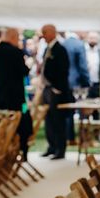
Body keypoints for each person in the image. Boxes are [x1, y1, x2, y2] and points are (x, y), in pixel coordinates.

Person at [0, 28, 33, 158]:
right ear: (13, 37)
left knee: (4, 121)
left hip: (1, 93)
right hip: (15, 94)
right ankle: (22, 149)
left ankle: (3, 149)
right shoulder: (16, 52)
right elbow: (24, 71)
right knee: (20, 120)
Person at [40, 24, 70, 159]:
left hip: (56, 90)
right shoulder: (47, 49)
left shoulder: (60, 49)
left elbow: (63, 70)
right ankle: (51, 146)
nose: (43, 35)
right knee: (49, 119)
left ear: (52, 33)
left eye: (45, 32)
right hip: (47, 88)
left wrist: (57, 88)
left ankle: (60, 148)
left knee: (58, 120)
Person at [62, 32, 90, 142]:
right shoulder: (78, 44)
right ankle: (83, 137)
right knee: (81, 110)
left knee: (69, 112)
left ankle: (70, 137)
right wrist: (87, 81)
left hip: (65, 82)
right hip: (77, 82)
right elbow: (83, 66)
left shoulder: (63, 44)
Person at [84, 31, 100, 99]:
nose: (93, 40)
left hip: (97, 83)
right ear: (87, 39)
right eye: (91, 38)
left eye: (95, 38)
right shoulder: (83, 50)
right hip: (87, 83)